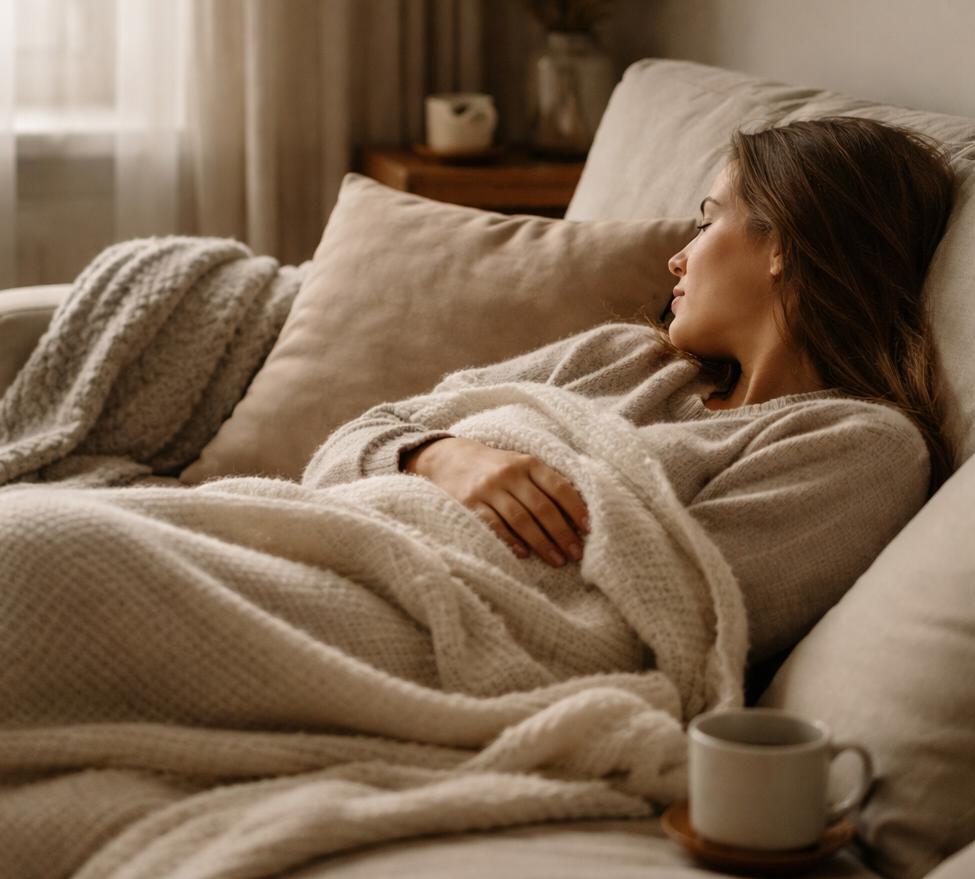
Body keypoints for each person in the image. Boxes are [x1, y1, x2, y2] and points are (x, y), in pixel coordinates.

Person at [305, 117, 956, 663]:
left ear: (782, 243)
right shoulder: (626, 356)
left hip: (416, 625)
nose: (679, 258)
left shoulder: (863, 448)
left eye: (707, 224)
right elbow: (338, 454)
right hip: (330, 542)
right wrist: (444, 455)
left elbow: (663, 630)